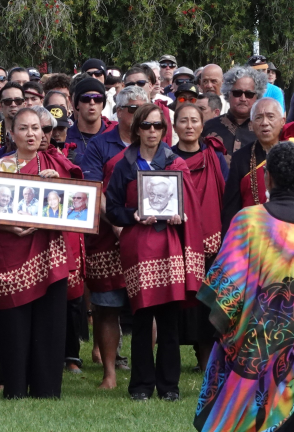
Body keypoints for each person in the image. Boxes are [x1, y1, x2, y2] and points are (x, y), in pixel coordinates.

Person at [194, 143, 294, 432]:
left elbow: (224, 288)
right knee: (290, 425)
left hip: (250, 343)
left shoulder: (249, 219)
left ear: (267, 177)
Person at [106, 103, 196, 401]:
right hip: (138, 247)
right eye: (146, 126)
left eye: (158, 126)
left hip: (168, 245)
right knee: (142, 320)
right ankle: (141, 386)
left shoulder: (175, 163)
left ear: (164, 130)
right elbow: (113, 209)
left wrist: (179, 216)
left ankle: (169, 386)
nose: (152, 132)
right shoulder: (124, 164)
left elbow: (190, 209)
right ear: (137, 129)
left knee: (168, 320)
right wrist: (132, 215)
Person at [0, 107, 73, 399]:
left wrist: (58, 186)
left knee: (48, 322)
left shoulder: (56, 166)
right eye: (24, 128)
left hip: (48, 253)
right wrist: (10, 229)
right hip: (10, 251)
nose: (31, 134)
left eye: (37, 128)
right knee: (14, 323)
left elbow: (74, 210)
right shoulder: (0, 167)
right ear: (11, 134)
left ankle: (46, 389)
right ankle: (15, 387)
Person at [76, 84, 146, 390]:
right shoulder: (99, 146)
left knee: (149, 306)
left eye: (144, 109)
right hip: (107, 236)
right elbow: (95, 190)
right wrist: (118, 226)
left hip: (147, 236)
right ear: (118, 112)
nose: (140, 116)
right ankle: (109, 373)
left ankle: (146, 369)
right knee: (106, 306)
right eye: (132, 109)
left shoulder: (155, 143)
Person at [171, 101, 229, 369]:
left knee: (207, 303)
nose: (189, 126)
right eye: (183, 120)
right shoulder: (167, 159)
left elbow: (226, 196)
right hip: (176, 239)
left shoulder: (215, 158)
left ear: (202, 125)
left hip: (211, 241)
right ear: (174, 126)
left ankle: (206, 360)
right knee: (180, 304)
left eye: (194, 120)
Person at [222, 98, 294, 235]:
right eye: (259, 118)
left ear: (283, 121)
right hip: (253, 236)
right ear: (252, 123)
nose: (265, 123)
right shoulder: (241, 158)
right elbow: (231, 209)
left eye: (270, 117)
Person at [202, 66, 264, 162]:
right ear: (228, 94)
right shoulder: (208, 127)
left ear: (257, 97)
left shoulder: (264, 130)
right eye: (237, 93)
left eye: (249, 94)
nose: (243, 99)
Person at [65, 78, 112, 163]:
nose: (92, 102)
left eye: (98, 98)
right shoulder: (65, 136)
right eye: (86, 98)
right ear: (77, 104)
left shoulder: (114, 135)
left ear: (103, 104)